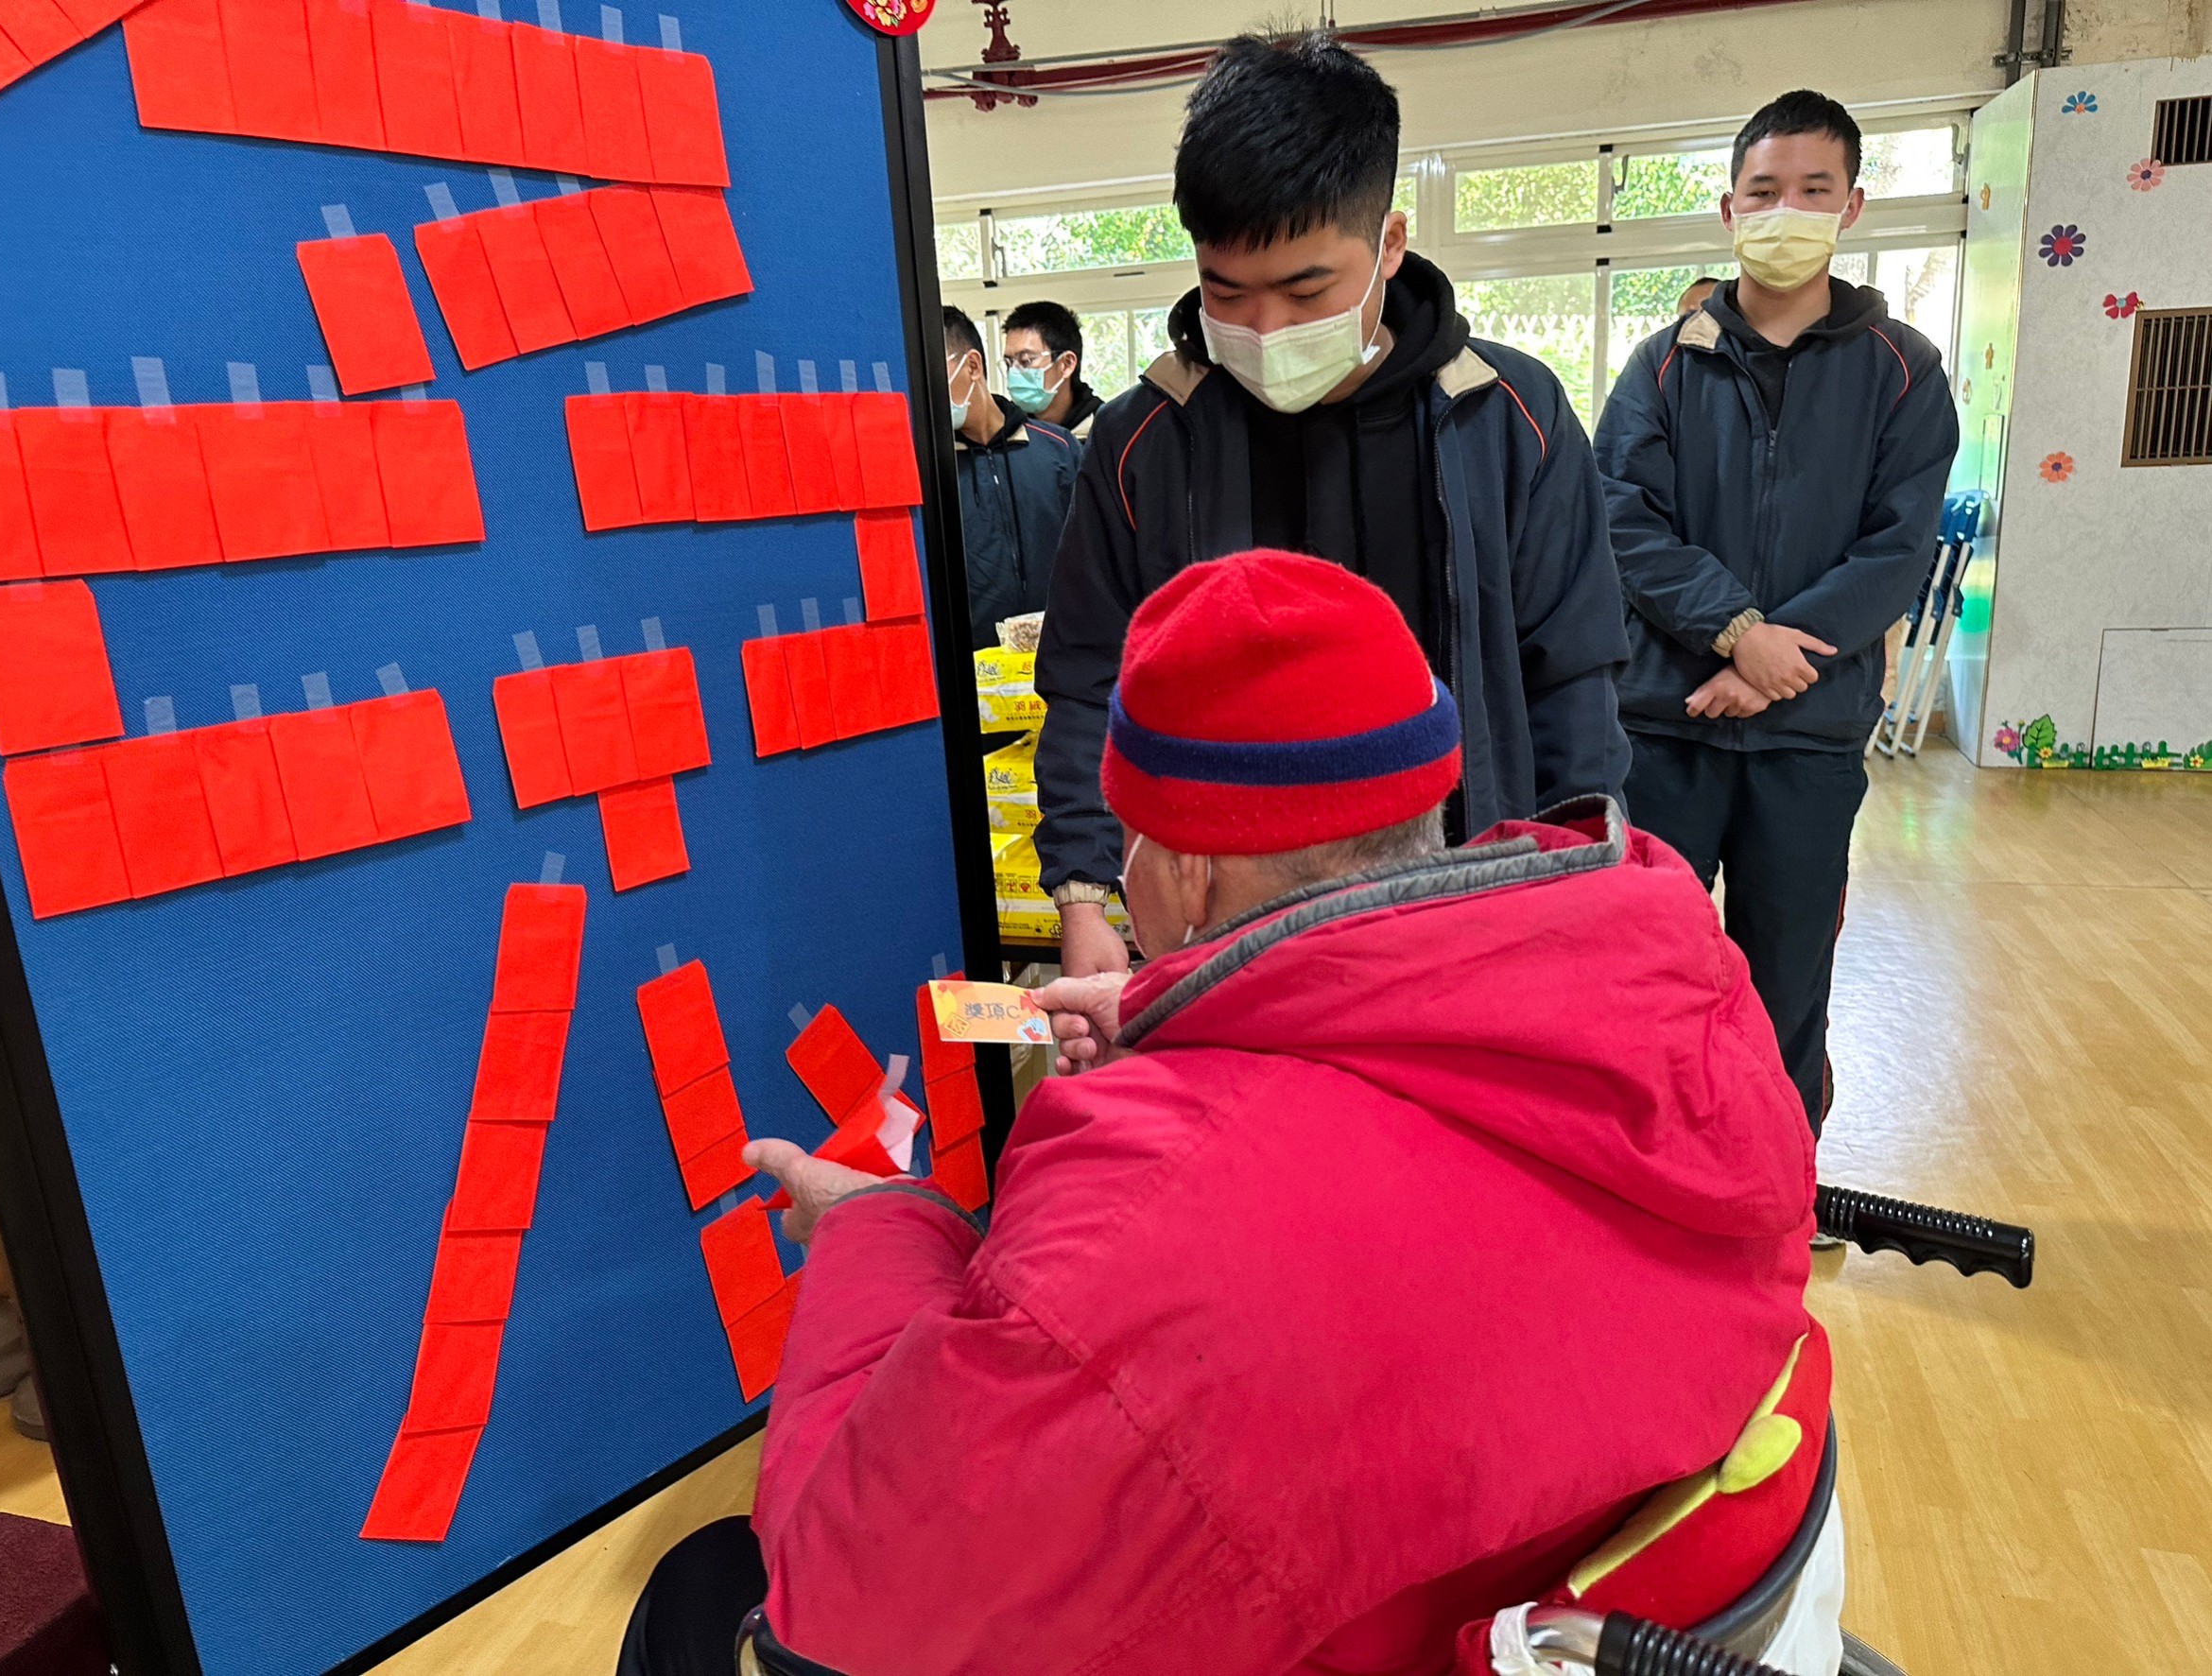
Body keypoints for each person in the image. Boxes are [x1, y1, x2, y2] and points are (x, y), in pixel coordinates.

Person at [617, 552, 1826, 1676]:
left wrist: (877, 1229)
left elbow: (857, 1608)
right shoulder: (1675, 981)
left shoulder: (1138, 1232)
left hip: (1344, 1638)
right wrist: (1197, 1018)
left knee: (704, 1591)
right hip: (1553, 1585)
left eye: (1126, 840)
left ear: (1187, 873)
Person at [1032, 30, 1632, 977]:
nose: (1264, 328)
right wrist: (1082, 893)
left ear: (1389, 244)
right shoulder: (1145, 440)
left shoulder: (1508, 416)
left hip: (1466, 908)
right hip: (1223, 940)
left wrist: (1577, 881)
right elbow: (1087, 682)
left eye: (1305, 290)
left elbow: (1572, 677)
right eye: (1227, 291)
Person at [1594, 90, 1960, 1133]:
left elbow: (1896, 549)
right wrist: (1736, 632)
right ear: (1728, 209)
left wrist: (1772, 662)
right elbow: (1621, 518)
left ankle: (1779, 1178)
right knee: (1649, 974)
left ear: (1852, 206)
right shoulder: (1664, 364)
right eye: (1763, 191)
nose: (1784, 211)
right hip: (1668, 725)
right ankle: (1653, 1170)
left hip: (1810, 733)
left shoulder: (1904, 371)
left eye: (1812, 189)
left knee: (1787, 982)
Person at [943, 304, 1080, 646]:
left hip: (1064, 649)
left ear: (972, 366)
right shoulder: (932, 469)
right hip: (977, 661)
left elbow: (1095, 553)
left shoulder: (1058, 448)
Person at [1000, 300, 1105, 439]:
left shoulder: (1107, 429)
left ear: (1066, 364)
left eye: (1026, 360)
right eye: (1009, 363)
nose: (1014, 372)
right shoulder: (1007, 433)